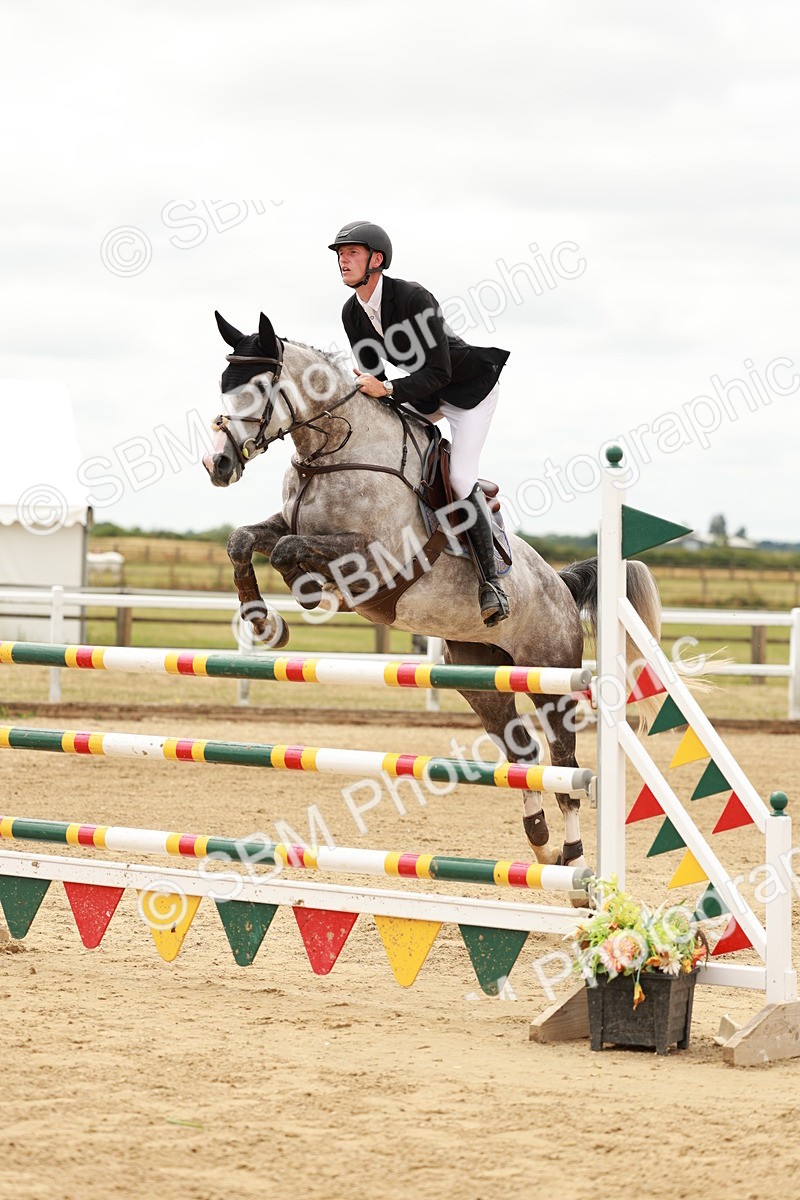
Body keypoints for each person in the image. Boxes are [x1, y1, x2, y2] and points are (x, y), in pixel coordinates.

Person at [329, 220, 511, 627]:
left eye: (352, 252)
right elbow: (373, 371)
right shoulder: (352, 312)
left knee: (462, 480)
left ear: (376, 260)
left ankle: (491, 581)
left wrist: (388, 388)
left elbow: (440, 372)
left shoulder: (413, 297)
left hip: (468, 392)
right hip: (422, 394)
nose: (343, 259)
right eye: (340, 254)